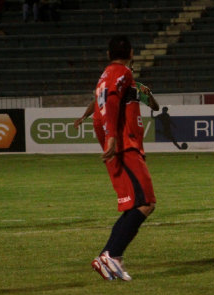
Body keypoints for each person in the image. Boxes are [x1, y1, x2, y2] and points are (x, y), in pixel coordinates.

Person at [89, 35, 156, 282]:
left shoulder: (108, 74)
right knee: (145, 203)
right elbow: (111, 101)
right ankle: (112, 255)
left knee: (133, 205)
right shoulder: (121, 73)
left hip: (124, 147)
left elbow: (102, 105)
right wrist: (112, 137)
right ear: (131, 53)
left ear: (108, 54)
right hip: (125, 147)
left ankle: (109, 257)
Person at [74, 80, 160, 136]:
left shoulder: (137, 87)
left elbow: (155, 107)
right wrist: (83, 117)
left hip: (132, 128)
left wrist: (150, 95)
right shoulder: (111, 86)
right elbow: (96, 103)